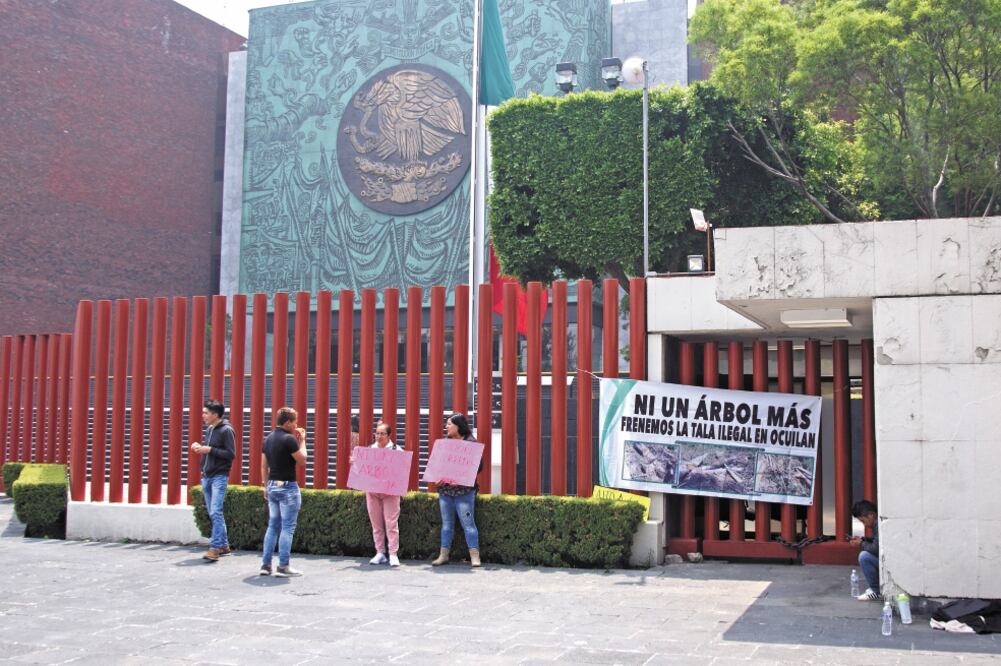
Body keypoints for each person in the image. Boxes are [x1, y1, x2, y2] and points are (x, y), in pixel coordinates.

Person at [260, 406, 307, 577]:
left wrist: (265, 486)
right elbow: (303, 460)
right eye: (294, 422)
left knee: (273, 526)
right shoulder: (289, 439)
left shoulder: (268, 439)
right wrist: (302, 441)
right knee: (287, 527)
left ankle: (266, 565)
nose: (296, 425)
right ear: (287, 422)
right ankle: (283, 566)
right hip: (288, 487)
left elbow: (264, 466)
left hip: (272, 485)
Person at [432, 413, 482, 567]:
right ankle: (443, 555)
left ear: (458, 426)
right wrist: (437, 477)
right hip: (445, 491)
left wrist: (462, 474)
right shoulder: (445, 443)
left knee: (469, 524)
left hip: (464, 492)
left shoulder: (471, 443)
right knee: (447, 524)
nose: (446, 427)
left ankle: (474, 556)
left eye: (449, 424)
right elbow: (437, 463)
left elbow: (479, 467)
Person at [352, 421, 403, 567]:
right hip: (373, 491)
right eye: (377, 433)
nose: (379, 436)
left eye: (382, 434)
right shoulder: (369, 449)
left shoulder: (396, 450)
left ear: (389, 435)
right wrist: (355, 462)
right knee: (376, 524)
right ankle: (380, 552)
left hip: (390, 492)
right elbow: (362, 470)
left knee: (391, 523)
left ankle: (393, 554)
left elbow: (402, 471)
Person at [190, 399, 236, 562]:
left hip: (219, 476)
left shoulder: (226, 430)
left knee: (216, 512)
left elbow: (230, 454)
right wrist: (200, 447)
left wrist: (209, 449)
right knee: (214, 513)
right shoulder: (210, 429)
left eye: (206, 413)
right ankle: (223, 545)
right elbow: (210, 450)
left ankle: (215, 548)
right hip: (207, 475)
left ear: (215, 414)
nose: (203, 415)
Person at [850, 499, 880, 600]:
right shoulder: (877, 523)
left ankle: (876, 590)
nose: (865, 525)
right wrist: (864, 540)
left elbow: (876, 549)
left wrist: (861, 543)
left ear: (871, 515)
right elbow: (877, 541)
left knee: (864, 557)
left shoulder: (878, 524)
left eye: (863, 521)